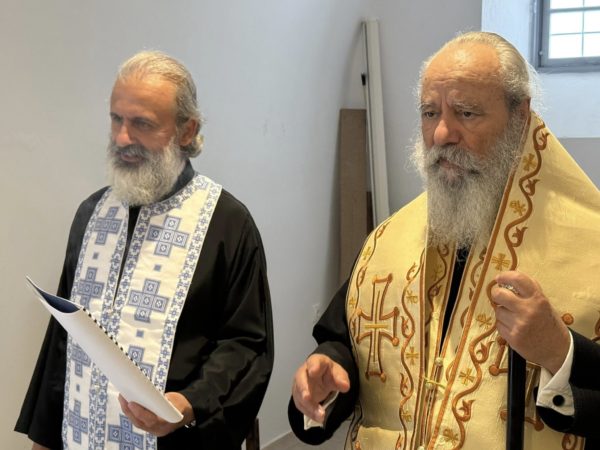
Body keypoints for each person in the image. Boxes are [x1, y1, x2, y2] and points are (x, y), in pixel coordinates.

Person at [289, 32, 600, 449]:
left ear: (521, 116)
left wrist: (561, 352)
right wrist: (327, 369)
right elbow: (345, 340)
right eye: (429, 112)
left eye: (466, 113)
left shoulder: (591, 245)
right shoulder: (388, 241)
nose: (441, 134)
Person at [15, 51, 274, 450]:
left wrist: (189, 403)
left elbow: (246, 345)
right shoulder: (92, 214)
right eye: (116, 119)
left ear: (187, 130)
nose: (122, 138)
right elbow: (64, 342)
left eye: (142, 124)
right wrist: (44, 440)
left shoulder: (227, 224)